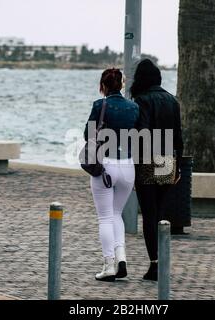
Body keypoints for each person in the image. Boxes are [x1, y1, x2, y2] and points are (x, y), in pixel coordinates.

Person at [131, 59, 184, 281]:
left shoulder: (141, 101)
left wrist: (135, 165)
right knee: (161, 214)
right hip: (168, 159)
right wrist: (178, 165)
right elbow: (179, 137)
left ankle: (155, 264)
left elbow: (141, 135)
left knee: (149, 215)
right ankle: (162, 262)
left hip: (147, 159)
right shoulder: (172, 101)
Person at [84, 68, 139, 282]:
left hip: (105, 165)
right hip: (128, 166)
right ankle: (121, 258)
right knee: (117, 213)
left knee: (105, 217)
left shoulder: (100, 105)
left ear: (103, 85)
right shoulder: (134, 107)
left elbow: (87, 133)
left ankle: (109, 266)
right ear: (122, 84)